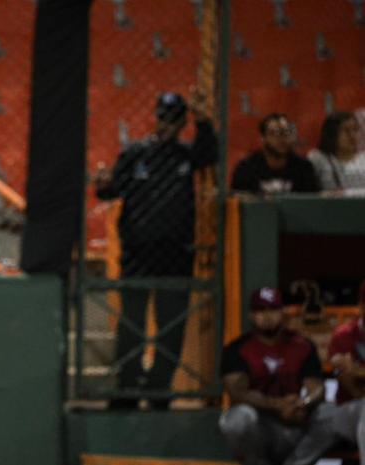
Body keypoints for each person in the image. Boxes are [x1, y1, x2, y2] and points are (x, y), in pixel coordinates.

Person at [94, 90, 218, 409]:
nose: (167, 125)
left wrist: (203, 121)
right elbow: (109, 191)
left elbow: (209, 154)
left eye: (175, 119)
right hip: (138, 252)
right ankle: (128, 387)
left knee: (171, 325)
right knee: (131, 323)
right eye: (163, 117)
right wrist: (103, 182)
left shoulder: (185, 156)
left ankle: (158, 387)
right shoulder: (135, 153)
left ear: (181, 124)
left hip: (176, 252)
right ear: (155, 117)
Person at [219, 287, 336, 465]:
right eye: (260, 310)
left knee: (331, 413)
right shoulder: (237, 349)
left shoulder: (302, 345)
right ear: (251, 315)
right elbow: (237, 392)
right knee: (236, 419)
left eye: (273, 309)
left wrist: (303, 404)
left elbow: (317, 387)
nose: (267, 316)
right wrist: (276, 405)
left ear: (283, 313)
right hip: (261, 427)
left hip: (297, 423)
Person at [231, 113, 321, 195]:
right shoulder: (247, 168)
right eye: (274, 133)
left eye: (286, 133)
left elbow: (312, 204)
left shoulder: (303, 168)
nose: (281, 139)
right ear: (263, 138)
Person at [325, 280, 365, 464]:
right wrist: (354, 374)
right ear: (361, 306)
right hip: (349, 411)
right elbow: (352, 388)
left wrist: (358, 371)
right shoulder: (344, 335)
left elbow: (354, 374)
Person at [308, 111, 365, 193]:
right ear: (332, 133)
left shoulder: (363, 158)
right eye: (346, 130)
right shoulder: (317, 158)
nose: (352, 136)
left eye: (355, 130)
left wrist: (346, 193)